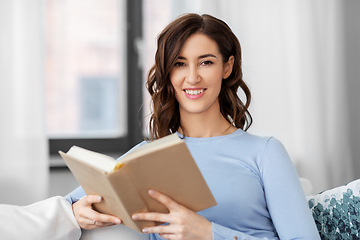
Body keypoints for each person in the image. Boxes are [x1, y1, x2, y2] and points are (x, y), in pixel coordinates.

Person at [65, 13, 321, 239]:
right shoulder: (145, 156)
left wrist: (210, 234)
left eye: (206, 62)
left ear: (227, 67)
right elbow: (70, 204)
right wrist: (76, 212)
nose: (192, 77)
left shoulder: (265, 152)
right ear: (168, 73)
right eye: (179, 64)